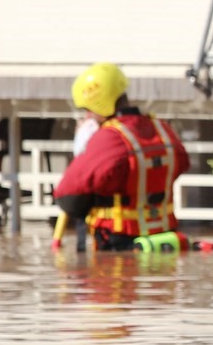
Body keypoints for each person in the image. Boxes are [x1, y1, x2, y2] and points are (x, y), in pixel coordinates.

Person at [52, 62, 194, 253]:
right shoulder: (161, 128)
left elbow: (67, 195)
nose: (88, 115)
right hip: (164, 238)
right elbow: (183, 163)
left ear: (98, 103)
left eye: (88, 109)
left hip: (119, 241)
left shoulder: (109, 137)